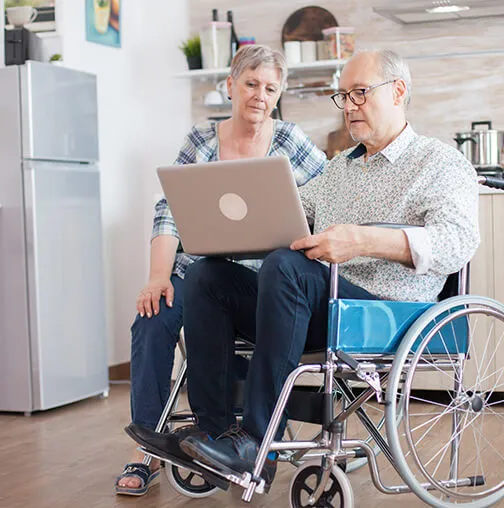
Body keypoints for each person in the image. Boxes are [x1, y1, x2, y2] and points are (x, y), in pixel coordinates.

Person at [126, 48, 480, 490]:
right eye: (344, 96)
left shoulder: (439, 162)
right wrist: (219, 213)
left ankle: (257, 441)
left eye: (360, 93)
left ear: (399, 92)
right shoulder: (337, 170)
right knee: (208, 276)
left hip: (387, 312)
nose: (349, 106)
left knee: (287, 266)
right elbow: (276, 214)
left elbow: (458, 242)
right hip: (320, 306)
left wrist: (362, 240)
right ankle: (215, 434)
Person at [114, 44, 326, 496]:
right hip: (198, 267)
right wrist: (157, 276)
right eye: (251, 84)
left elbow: (327, 201)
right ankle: (145, 453)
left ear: (280, 92)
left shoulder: (290, 141)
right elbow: (169, 210)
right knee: (154, 315)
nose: (259, 96)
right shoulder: (201, 141)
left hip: (262, 278)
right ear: (230, 85)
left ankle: (230, 439)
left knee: (218, 293)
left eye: (270, 88)